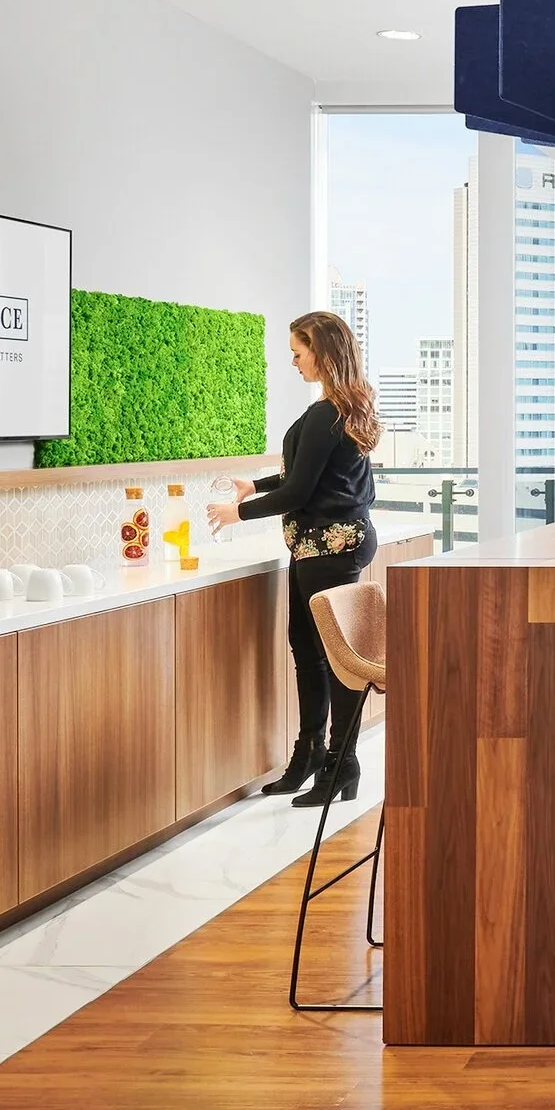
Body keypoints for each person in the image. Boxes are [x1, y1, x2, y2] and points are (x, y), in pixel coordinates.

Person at [208, 311, 379, 805]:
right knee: (309, 653)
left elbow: (301, 490)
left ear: (321, 352)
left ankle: (340, 763)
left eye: (298, 353)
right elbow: (318, 476)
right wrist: (255, 484)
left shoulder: (329, 412)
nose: (294, 362)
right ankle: (311, 754)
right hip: (324, 545)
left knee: (332, 658)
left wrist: (240, 511)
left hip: (329, 547)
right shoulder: (346, 406)